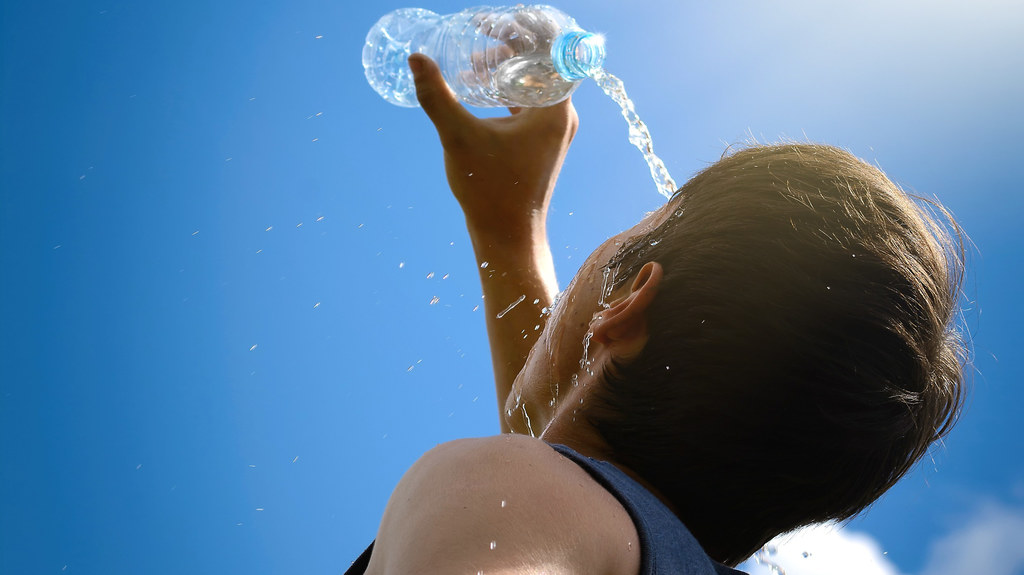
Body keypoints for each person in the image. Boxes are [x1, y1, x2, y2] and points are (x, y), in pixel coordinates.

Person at [346, 53, 967, 575]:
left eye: (631, 230)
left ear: (630, 302)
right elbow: (565, 452)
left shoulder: (505, 486)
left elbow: (546, 475)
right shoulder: (636, 543)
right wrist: (509, 230)